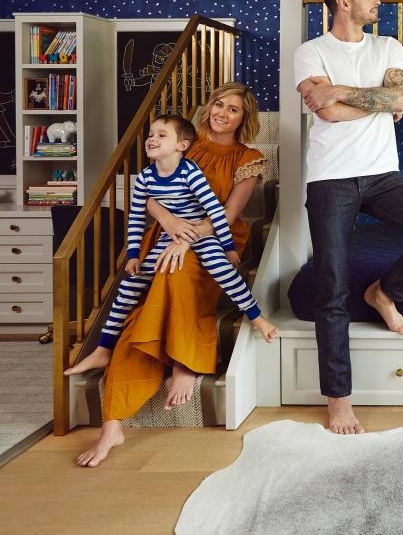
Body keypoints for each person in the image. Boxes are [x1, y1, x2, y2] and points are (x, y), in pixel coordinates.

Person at [294, 0, 403, 435]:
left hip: (382, 175)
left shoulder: (388, 47)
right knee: (330, 286)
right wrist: (374, 100)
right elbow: (325, 110)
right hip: (330, 179)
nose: (377, 0)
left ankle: (384, 293)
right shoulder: (310, 52)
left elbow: (398, 97)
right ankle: (339, 400)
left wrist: (344, 92)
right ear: (342, 2)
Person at [67, 83, 271, 467]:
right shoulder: (182, 142)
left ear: (245, 119)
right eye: (218, 105)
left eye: (233, 110)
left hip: (213, 237)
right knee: (141, 306)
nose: (222, 114)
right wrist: (170, 223)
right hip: (167, 233)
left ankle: (184, 363)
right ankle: (112, 425)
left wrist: (187, 237)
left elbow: (226, 215)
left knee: (175, 275)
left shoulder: (249, 157)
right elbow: (150, 197)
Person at [81, 114, 277, 352]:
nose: (153, 139)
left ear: (182, 146)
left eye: (162, 135)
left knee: (222, 271)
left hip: (203, 234)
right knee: (130, 285)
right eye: (151, 135)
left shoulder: (190, 172)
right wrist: (133, 254)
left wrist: (228, 247)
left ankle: (256, 317)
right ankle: (104, 348)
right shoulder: (145, 178)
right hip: (171, 235)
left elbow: (215, 210)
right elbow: (135, 217)